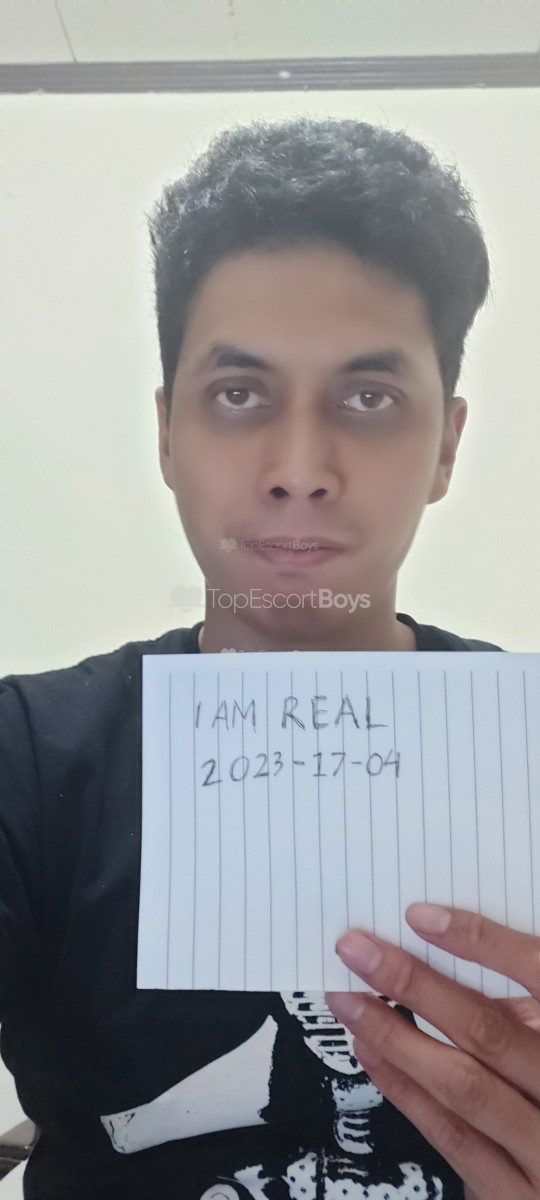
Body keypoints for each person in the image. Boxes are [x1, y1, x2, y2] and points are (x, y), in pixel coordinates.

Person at [1, 116, 538, 1200]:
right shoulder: (30, 761)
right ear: (167, 433)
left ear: (445, 445)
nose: (300, 467)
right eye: (239, 393)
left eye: (369, 396)